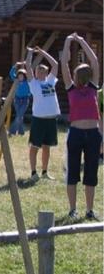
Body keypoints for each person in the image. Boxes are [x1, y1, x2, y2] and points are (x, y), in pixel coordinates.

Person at [60, 33, 101, 220]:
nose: (80, 76)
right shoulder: (71, 88)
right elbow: (63, 65)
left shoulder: (93, 87)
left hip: (93, 134)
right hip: (75, 133)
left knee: (91, 173)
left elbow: (94, 61)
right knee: (73, 172)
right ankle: (72, 209)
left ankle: (90, 210)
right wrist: (69, 41)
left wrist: (83, 41)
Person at [25, 46, 60, 181]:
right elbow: (28, 66)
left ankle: (45, 172)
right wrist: (30, 52)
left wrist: (43, 52)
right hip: (39, 119)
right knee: (35, 146)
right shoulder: (33, 83)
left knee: (47, 147)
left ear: (46, 73)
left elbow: (55, 64)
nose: (41, 73)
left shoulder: (51, 81)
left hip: (51, 119)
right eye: (38, 71)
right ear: (35, 73)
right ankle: (34, 173)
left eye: (43, 70)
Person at [9, 62, 31, 136]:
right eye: (19, 75)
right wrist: (15, 66)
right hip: (17, 99)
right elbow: (11, 73)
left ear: (24, 76)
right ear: (17, 76)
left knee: (19, 114)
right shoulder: (16, 81)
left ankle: (12, 131)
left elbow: (31, 89)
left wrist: (29, 94)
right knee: (19, 115)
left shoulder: (27, 82)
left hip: (25, 99)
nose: (20, 77)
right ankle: (21, 132)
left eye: (22, 76)